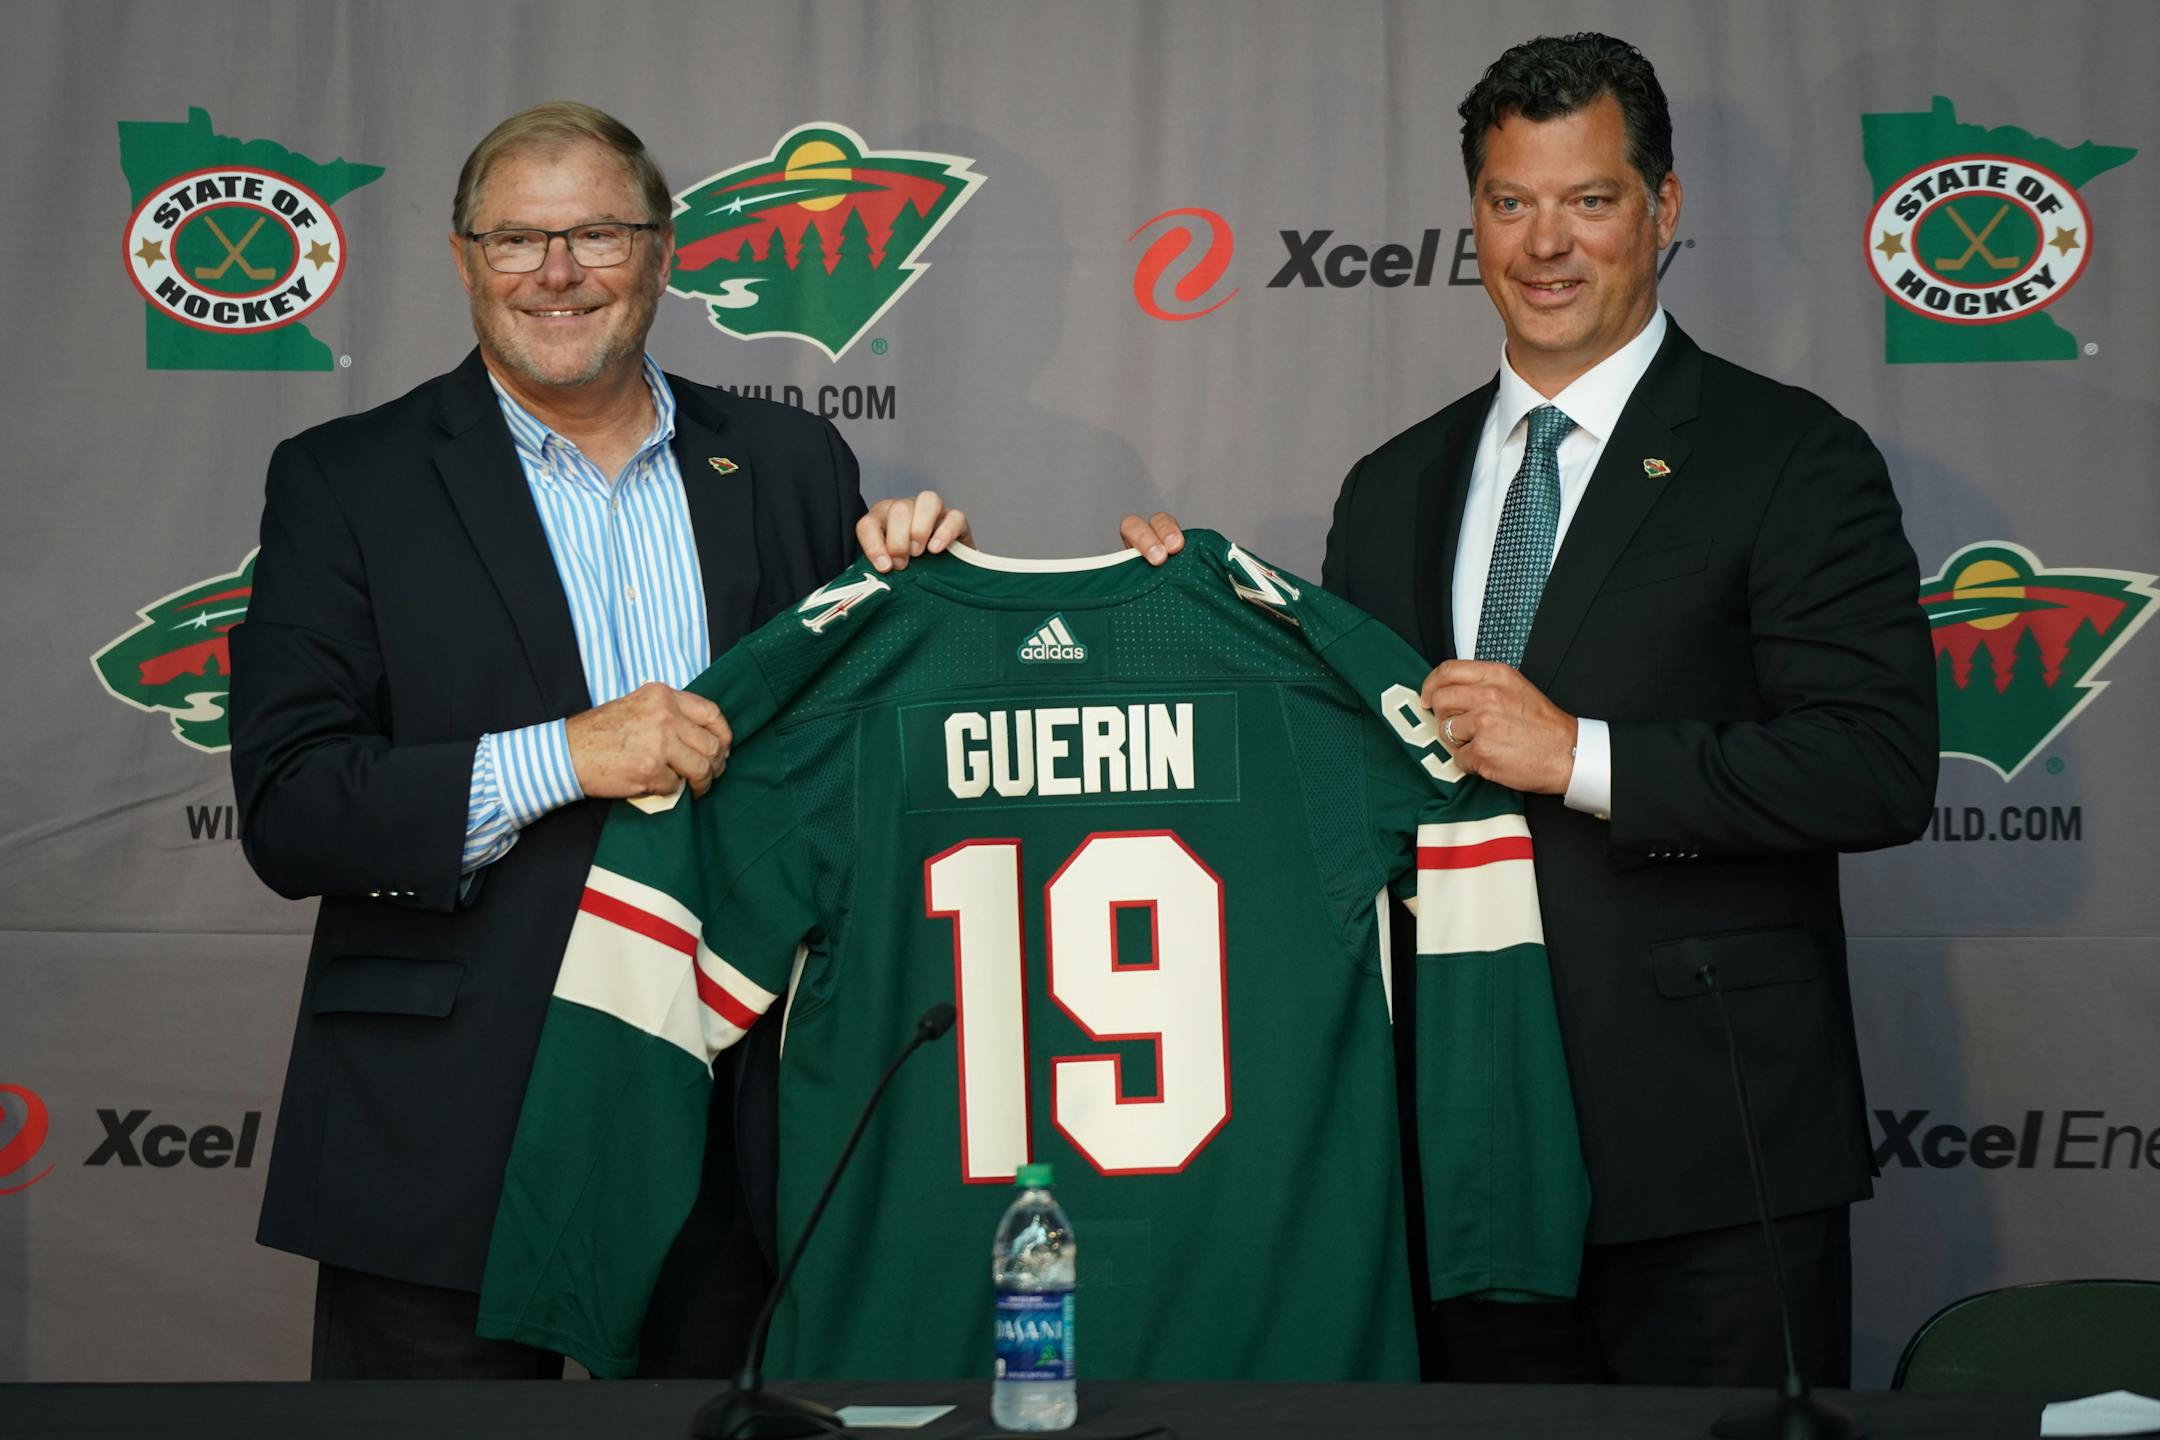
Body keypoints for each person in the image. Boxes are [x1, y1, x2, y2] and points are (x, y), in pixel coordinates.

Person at [1113, 34, 1937, 1385]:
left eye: (1590, 200)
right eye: (1511, 202)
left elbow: (1880, 767)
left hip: (1707, 1164)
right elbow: (1340, 786)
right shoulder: (1392, 485)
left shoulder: (1790, 455)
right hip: (1449, 1145)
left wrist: (1583, 757)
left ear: (1664, 212)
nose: (1546, 244)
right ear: (1475, 218)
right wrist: (1182, 629)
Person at [229, 101, 957, 1380]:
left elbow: (859, 768)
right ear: (463, 259)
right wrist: (564, 755)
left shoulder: (787, 461)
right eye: (517, 240)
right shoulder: (347, 480)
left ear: (662, 250)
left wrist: (929, 603)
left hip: (739, 1124)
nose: (556, 274)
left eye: (599, 234)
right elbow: (294, 808)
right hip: (446, 1130)